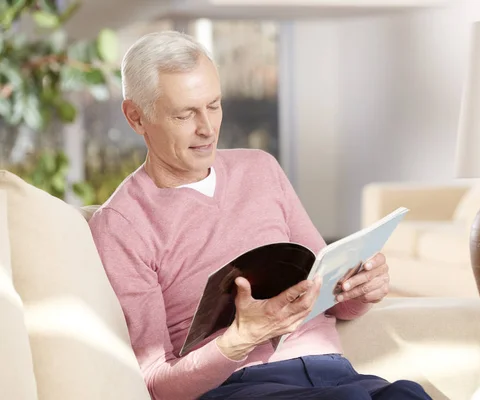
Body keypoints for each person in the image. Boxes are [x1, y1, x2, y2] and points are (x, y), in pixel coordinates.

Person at [88, 30, 419, 400]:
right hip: (239, 386)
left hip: (334, 372)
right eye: (185, 114)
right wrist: (239, 340)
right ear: (136, 117)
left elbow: (327, 293)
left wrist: (362, 289)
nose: (207, 128)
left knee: (409, 394)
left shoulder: (261, 169)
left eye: (214, 105)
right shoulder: (122, 224)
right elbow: (154, 383)